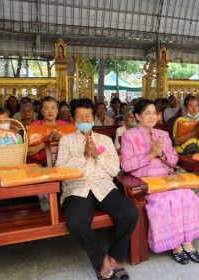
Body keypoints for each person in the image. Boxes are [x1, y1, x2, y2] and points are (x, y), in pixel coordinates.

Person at [55, 98, 138, 280]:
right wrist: (84, 156)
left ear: (93, 117)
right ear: (73, 119)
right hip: (78, 188)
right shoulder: (66, 141)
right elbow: (61, 170)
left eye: (88, 116)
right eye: (80, 117)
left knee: (131, 213)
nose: (84, 121)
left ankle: (115, 257)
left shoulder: (105, 140)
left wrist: (97, 156)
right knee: (77, 221)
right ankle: (101, 260)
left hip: (103, 186)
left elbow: (114, 170)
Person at [121, 99, 199, 264]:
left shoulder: (163, 135)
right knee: (167, 201)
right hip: (145, 183)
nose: (152, 116)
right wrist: (151, 154)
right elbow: (126, 165)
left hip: (168, 179)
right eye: (147, 113)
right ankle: (175, 245)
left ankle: (187, 242)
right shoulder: (128, 136)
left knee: (188, 196)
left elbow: (173, 161)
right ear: (137, 116)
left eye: (154, 113)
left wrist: (163, 155)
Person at [28, 96, 69, 212]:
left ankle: (67, 198)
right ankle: (44, 196)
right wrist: (46, 143)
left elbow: (73, 148)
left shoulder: (66, 126)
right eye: (46, 108)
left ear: (57, 110)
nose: (50, 111)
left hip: (61, 161)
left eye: (53, 108)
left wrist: (60, 141)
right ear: (41, 111)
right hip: (41, 163)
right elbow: (27, 151)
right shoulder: (34, 126)